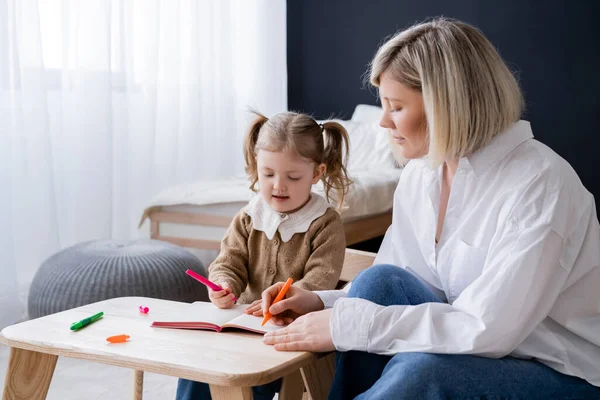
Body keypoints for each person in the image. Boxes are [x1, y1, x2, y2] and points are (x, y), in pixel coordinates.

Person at [257, 18, 600, 399]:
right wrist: (321, 302)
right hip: (478, 348)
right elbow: (403, 287)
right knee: (379, 281)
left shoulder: (540, 184)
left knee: (421, 372)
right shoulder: (422, 175)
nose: (384, 122)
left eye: (397, 107)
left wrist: (346, 325)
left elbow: (491, 330)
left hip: (560, 371)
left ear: (445, 105)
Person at [175, 111, 353, 400]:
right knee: (198, 368)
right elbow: (228, 262)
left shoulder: (324, 223)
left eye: (293, 177)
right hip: (242, 327)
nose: (278, 186)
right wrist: (224, 285)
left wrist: (284, 302)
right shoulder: (249, 216)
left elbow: (320, 281)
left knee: (248, 379)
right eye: (268, 174)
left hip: (290, 332)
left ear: (317, 173)